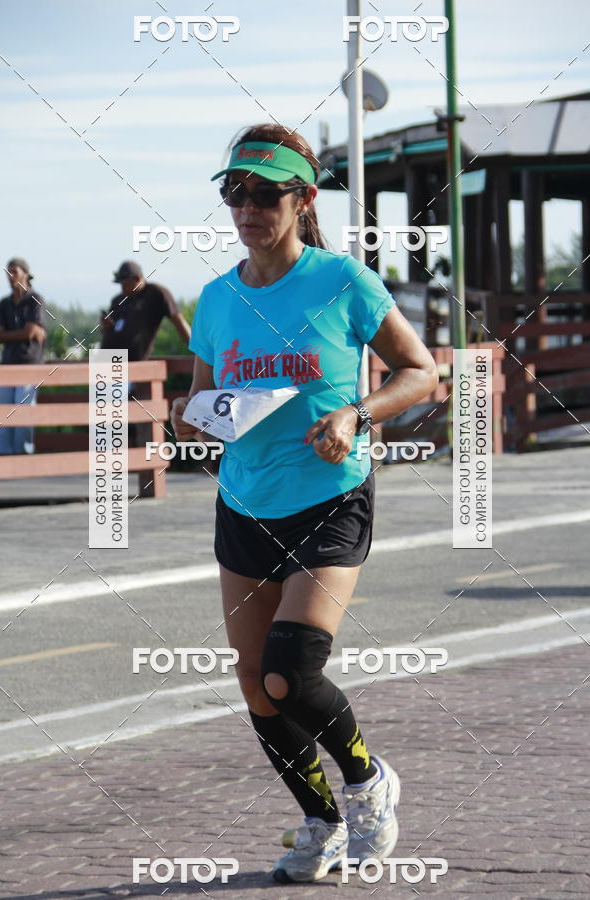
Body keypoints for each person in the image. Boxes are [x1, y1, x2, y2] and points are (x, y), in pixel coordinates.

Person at [171, 124, 439, 884]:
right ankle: (319, 821)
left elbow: (420, 372)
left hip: (330, 496)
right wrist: (193, 416)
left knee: (292, 668)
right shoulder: (218, 298)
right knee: (255, 679)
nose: (246, 206)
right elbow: (198, 397)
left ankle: (366, 782)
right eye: (234, 192)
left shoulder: (342, 282)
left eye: (263, 193)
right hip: (244, 500)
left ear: (302, 199)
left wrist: (357, 413)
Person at [0, 258, 47, 455]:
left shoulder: (36, 299)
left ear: (26, 273)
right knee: (2, 414)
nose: (10, 275)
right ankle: (5, 456)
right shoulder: (4, 304)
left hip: (29, 366)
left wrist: (22, 333)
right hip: (7, 366)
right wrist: (25, 333)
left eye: (14, 271)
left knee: (24, 413)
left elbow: (30, 330)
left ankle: (23, 458)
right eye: (8, 272)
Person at [100, 260, 191, 364]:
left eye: (125, 284)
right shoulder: (118, 300)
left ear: (137, 279)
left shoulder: (156, 293)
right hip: (107, 362)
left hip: (133, 367)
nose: (122, 289)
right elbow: (111, 331)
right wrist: (107, 327)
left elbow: (179, 321)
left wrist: (199, 353)